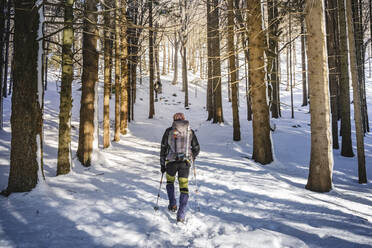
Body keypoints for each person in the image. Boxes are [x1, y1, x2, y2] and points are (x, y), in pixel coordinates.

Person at [160, 112, 200, 223]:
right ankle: (181, 214)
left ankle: (172, 204)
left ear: (173, 120)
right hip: (184, 163)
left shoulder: (168, 131)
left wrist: (162, 164)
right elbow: (196, 148)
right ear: (184, 119)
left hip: (171, 163)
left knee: (170, 182)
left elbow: (163, 149)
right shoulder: (190, 131)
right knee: (184, 187)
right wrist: (192, 157)